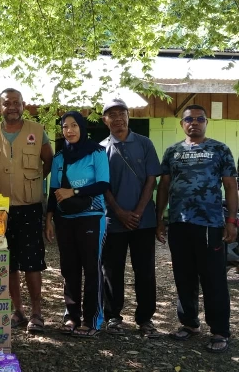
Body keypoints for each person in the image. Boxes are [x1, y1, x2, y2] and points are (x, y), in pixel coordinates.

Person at [156, 104, 236, 354]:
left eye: (200, 119)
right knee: (184, 276)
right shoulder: (173, 152)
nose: (194, 123)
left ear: (206, 122)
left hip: (210, 224)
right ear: (182, 123)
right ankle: (189, 324)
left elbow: (231, 187)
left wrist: (232, 221)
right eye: (189, 119)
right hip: (179, 224)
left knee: (213, 278)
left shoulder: (220, 150)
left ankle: (220, 331)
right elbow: (164, 187)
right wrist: (159, 219)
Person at [0, 88, 53, 333]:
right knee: (8, 262)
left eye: (16, 102)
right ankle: (18, 311)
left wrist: (31, 184)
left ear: (24, 105)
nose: (11, 106)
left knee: (33, 262)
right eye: (6, 103)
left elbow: (49, 161)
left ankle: (36, 313)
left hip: (30, 207)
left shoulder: (37, 131)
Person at [99, 98, 163, 338]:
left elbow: (151, 180)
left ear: (128, 116)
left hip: (143, 221)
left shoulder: (144, 144)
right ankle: (113, 317)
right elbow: (102, 186)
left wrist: (137, 212)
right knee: (112, 270)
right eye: (111, 115)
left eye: (121, 113)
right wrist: (119, 212)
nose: (117, 119)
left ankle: (145, 319)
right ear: (105, 120)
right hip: (113, 221)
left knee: (145, 271)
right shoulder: (101, 148)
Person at [44, 111, 109, 338]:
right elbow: (53, 191)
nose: (69, 130)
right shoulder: (59, 158)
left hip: (91, 216)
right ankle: (72, 316)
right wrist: (49, 218)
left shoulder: (97, 152)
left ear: (82, 128)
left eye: (74, 125)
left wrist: (74, 191)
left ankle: (93, 320)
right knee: (69, 269)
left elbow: (102, 184)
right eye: (65, 126)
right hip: (64, 219)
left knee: (92, 269)